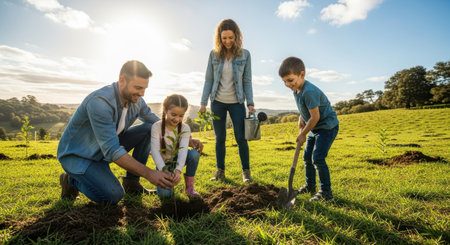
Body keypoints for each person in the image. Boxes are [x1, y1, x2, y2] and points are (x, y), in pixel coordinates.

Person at [57, 60, 203, 204]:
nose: (142, 93)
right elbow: (112, 150)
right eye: (138, 87)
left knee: (148, 129)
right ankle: (71, 181)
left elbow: (157, 122)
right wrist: (150, 174)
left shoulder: (136, 100)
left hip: (103, 149)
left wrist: (186, 137)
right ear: (122, 81)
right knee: (113, 196)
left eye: (144, 88)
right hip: (80, 155)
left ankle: (132, 182)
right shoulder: (100, 102)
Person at [199, 19, 256, 183]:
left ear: (237, 36)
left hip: (237, 102)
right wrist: (203, 103)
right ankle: (220, 171)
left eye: (231, 37)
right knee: (220, 138)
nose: (228, 41)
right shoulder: (213, 54)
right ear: (219, 38)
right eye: (224, 38)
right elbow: (208, 80)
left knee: (241, 137)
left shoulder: (245, 55)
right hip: (217, 101)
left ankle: (246, 172)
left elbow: (247, 81)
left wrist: (250, 102)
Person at [278, 56, 339, 201]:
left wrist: (303, 133)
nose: (288, 84)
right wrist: (301, 117)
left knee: (317, 157)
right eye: (284, 81)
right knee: (307, 157)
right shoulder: (296, 90)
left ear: (302, 74)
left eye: (290, 80)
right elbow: (304, 108)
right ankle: (310, 185)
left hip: (326, 127)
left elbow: (315, 117)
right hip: (314, 127)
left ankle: (326, 192)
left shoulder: (309, 91)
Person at [151, 94, 200, 198]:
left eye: (181, 116)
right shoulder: (156, 127)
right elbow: (155, 152)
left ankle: (189, 188)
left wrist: (178, 171)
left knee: (194, 154)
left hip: (177, 160)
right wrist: (163, 170)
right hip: (163, 165)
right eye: (173, 114)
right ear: (165, 110)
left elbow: (183, 151)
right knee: (166, 196)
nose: (177, 119)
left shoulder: (185, 128)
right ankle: (167, 185)